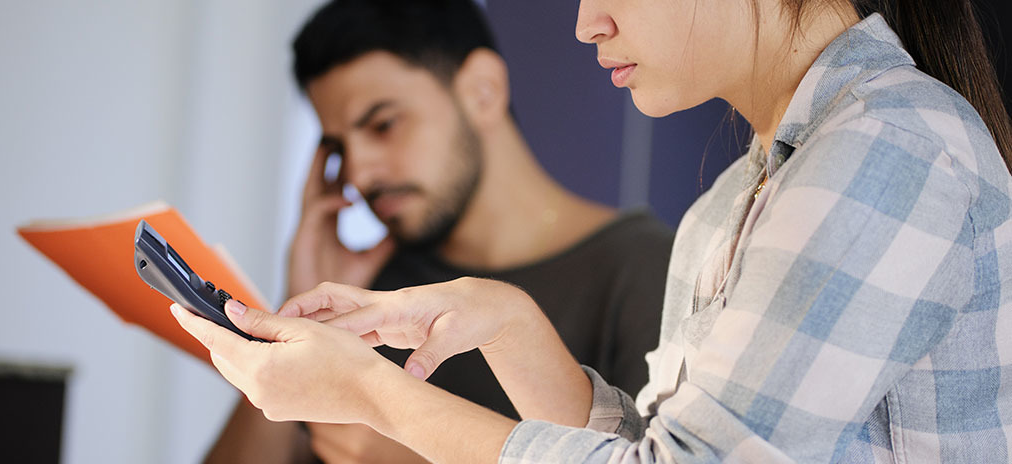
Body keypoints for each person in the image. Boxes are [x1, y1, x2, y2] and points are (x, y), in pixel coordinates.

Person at [177, 0, 1012, 461]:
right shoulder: (733, 201)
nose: (586, 23)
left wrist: (371, 393)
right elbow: (661, 447)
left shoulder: (891, 148)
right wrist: (509, 323)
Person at [202, 1, 674, 462]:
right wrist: (295, 314)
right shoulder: (369, 289)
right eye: (338, 147)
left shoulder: (643, 270)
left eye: (384, 124)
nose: (359, 173)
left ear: (482, 92)